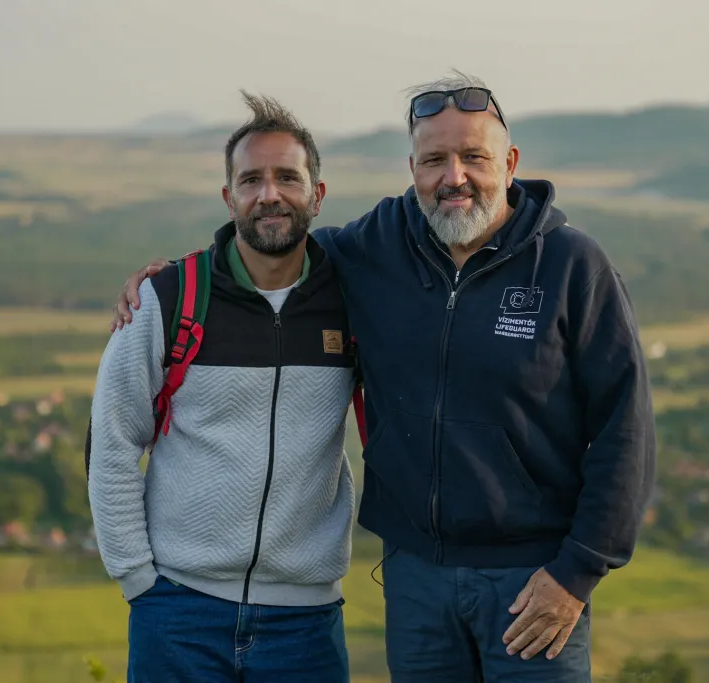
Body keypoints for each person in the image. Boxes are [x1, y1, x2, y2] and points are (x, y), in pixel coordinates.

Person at [110, 71, 657, 682]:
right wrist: (171, 280)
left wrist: (577, 572)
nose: (454, 177)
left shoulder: (572, 266)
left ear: (509, 164)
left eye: (474, 157)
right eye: (434, 161)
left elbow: (625, 430)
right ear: (412, 169)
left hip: (533, 579)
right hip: (415, 576)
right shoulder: (375, 246)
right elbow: (272, 247)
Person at [87, 91, 358, 683]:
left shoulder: (353, 299)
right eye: (251, 180)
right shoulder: (169, 298)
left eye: (287, 177)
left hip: (305, 623)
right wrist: (138, 580)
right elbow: (111, 441)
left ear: (317, 194)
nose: (269, 194)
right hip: (178, 612)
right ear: (228, 196)